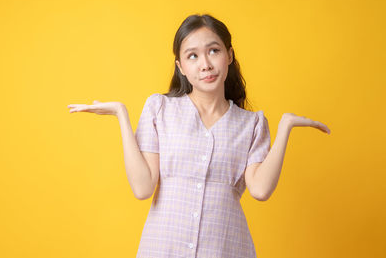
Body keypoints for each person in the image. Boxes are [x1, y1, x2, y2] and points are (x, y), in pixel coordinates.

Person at [67, 14, 330, 258]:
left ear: (229, 55)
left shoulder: (252, 123)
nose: (205, 64)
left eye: (213, 51)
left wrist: (285, 127)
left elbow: (260, 190)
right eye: (192, 56)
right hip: (163, 248)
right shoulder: (160, 109)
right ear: (180, 66)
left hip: (226, 248)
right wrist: (121, 115)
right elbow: (143, 188)